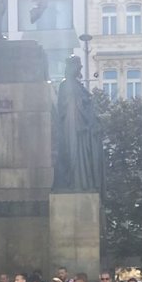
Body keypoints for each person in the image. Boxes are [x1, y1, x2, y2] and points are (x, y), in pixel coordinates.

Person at [54, 55, 103, 191]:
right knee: (74, 156)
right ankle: (76, 184)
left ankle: (83, 184)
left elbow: (85, 104)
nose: (78, 69)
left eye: (79, 67)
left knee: (85, 158)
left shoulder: (77, 85)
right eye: (77, 66)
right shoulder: (66, 84)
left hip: (83, 130)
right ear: (71, 67)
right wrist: (84, 115)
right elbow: (68, 107)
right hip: (74, 129)